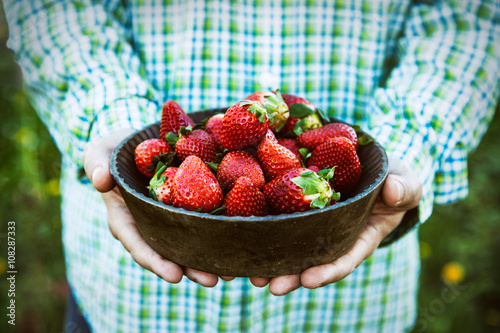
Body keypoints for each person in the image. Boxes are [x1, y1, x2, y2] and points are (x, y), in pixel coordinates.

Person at [3, 0, 498, 331]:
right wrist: (121, 127)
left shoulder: (287, 156)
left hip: (351, 305)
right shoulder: (201, 151)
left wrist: (406, 144)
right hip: (127, 301)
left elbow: (470, 17)